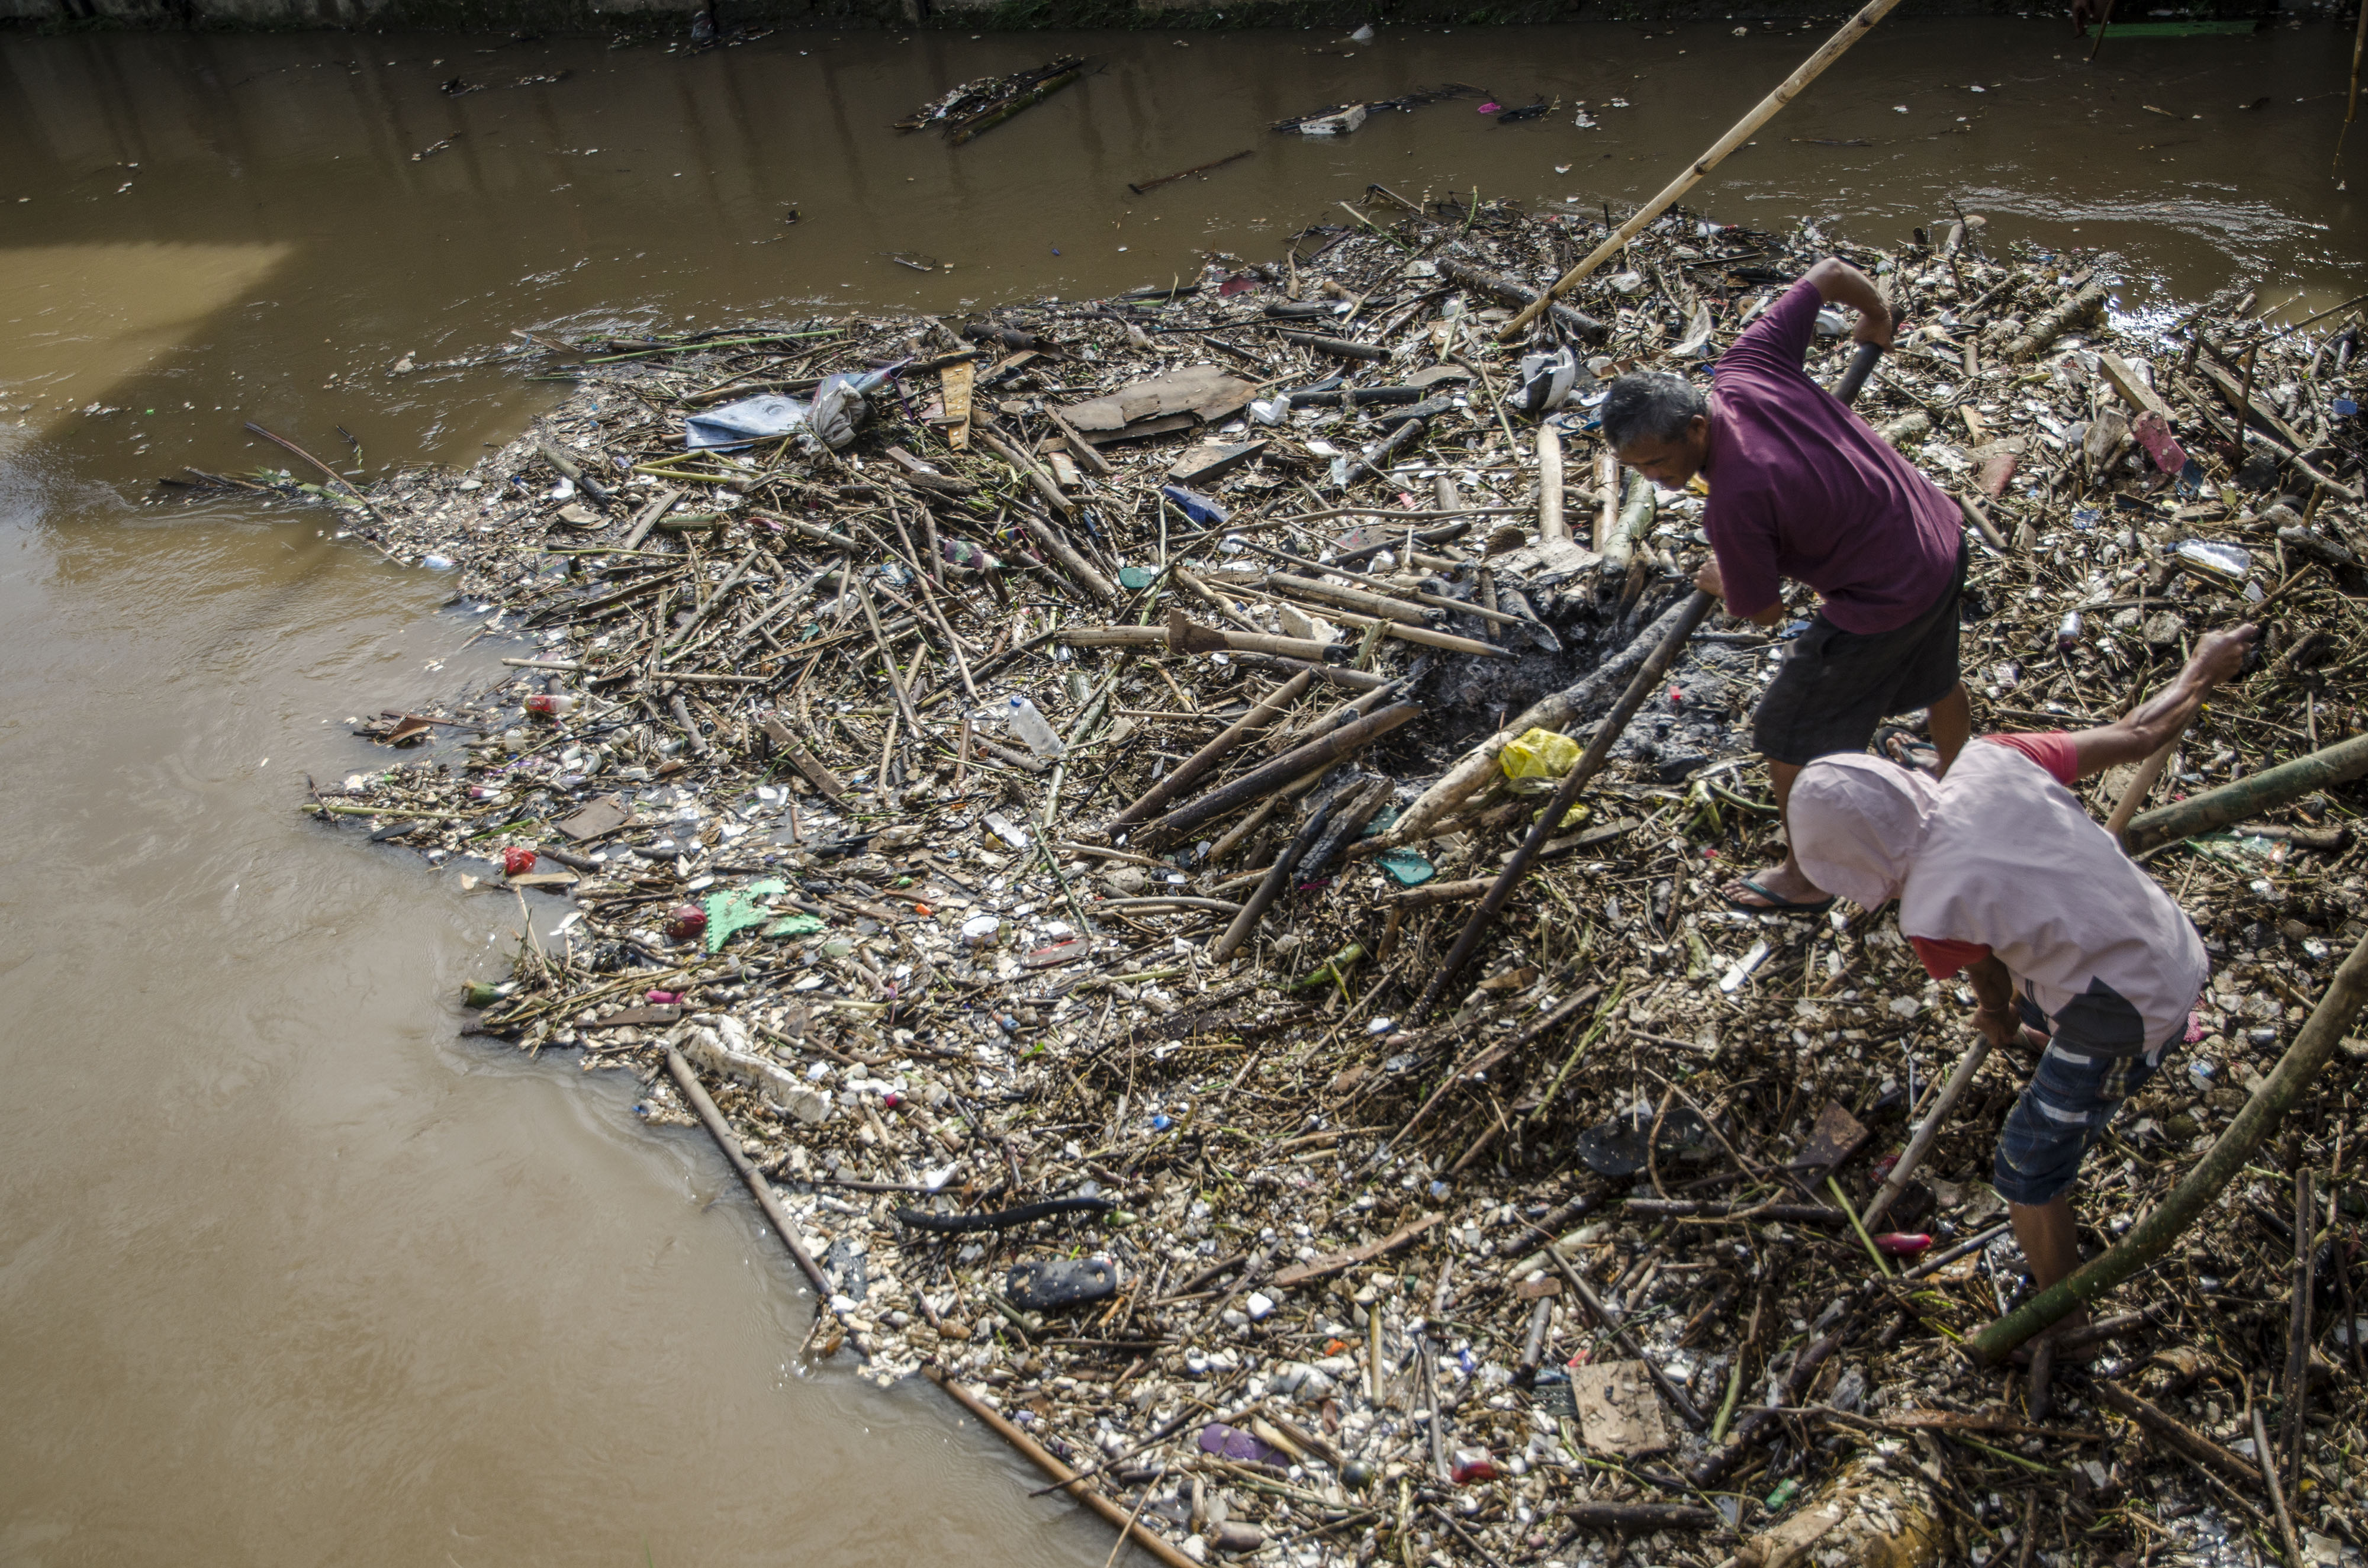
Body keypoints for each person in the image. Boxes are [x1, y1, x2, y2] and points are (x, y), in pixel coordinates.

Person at [1785, 623, 2256, 1326]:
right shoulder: (1991, 759)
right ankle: (2113, 1046)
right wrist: (2201, 670)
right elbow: (2137, 736)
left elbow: (1993, 993)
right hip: (2167, 936)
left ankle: (2062, 1310)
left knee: (2027, 1169)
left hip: (2132, 1008)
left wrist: (1998, 1022)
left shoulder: (1930, 912)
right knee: (2046, 994)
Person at [1601, 257, 1969, 915]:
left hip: (1885, 593)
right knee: (1936, 671)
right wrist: (1877, 315)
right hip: (1933, 528)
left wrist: (1725, 580)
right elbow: (1827, 273)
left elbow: (1767, 612)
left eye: (1658, 461)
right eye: (1636, 468)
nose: (1653, 479)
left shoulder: (1735, 501)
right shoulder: (1748, 365)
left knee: (1786, 734)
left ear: (1696, 428)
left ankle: (1806, 877)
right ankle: (1962, 774)